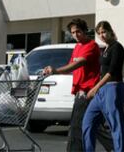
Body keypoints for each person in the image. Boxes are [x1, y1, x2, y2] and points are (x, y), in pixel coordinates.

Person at [43, 18, 113, 152]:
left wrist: (56, 70)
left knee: (77, 126)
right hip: (79, 92)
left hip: (87, 92)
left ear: (85, 31)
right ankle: (115, 147)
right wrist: (51, 71)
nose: (75, 35)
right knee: (92, 124)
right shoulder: (77, 47)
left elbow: (78, 63)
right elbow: (70, 66)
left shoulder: (91, 46)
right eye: (73, 33)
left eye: (78, 32)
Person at [82, 21, 124, 152]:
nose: (102, 35)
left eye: (104, 32)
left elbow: (111, 71)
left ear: (110, 31)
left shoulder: (117, 47)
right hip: (102, 90)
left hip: (113, 88)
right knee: (88, 122)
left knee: (116, 124)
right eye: (99, 33)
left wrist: (95, 88)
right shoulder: (105, 48)